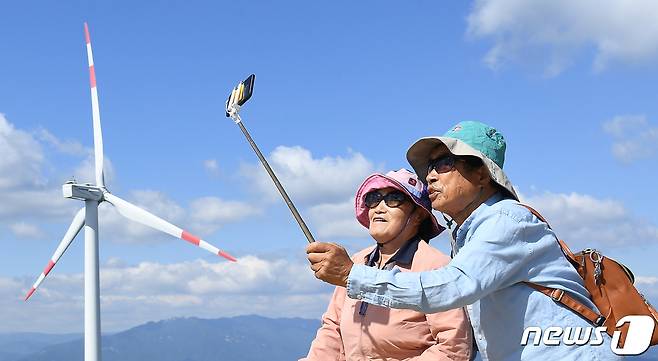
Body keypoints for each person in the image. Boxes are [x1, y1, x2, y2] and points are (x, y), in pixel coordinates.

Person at [306, 121, 620, 360]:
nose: (430, 176)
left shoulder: (507, 221)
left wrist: (351, 275)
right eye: (430, 167)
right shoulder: (468, 236)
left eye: (445, 163)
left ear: (483, 175)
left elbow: (451, 288)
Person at [301, 169, 472, 361]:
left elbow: (453, 349)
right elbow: (332, 330)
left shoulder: (437, 267)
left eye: (394, 198)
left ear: (418, 215)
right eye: (373, 198)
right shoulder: (356, 262)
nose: (379, 207)